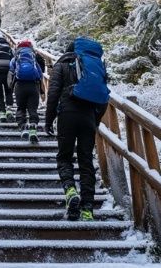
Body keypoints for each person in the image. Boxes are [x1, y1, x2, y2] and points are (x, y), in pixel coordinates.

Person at [45, 37, 109, 222]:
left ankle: (70, 190)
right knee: (86, 160)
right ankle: (87, 208)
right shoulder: (95, 66)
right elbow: (104, 97)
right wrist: (95, 120)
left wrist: (49, 121)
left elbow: (53, 94)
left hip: (67, 115)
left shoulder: (62, 65)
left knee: (64, 157)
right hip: (88, 116)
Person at [9, 40, 45, 142]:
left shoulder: (15, 58)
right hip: (33, 86)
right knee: (33, 109)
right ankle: (33, 129)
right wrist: (42, 91)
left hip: (20, 86)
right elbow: (40, 74)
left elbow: (11, 72)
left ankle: (23, 127)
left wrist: (10, 88)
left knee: (21, 108)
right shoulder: (33, 58)